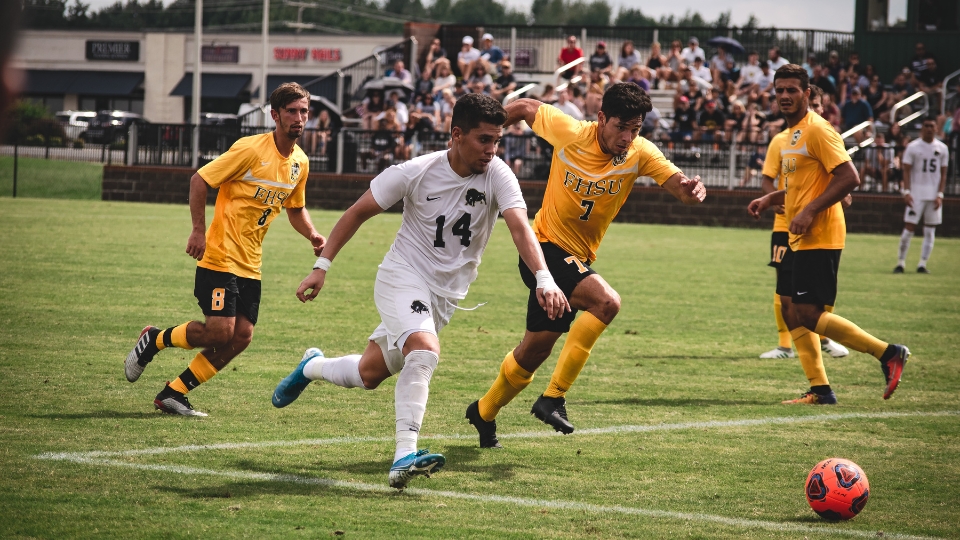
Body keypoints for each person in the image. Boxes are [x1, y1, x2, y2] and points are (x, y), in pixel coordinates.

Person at [273, 93, 569, 488]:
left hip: (445, 297)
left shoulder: (498, 173)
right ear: (456, 135)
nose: (492, 150)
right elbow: (357, 212)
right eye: (484, 140)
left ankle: (311, 365)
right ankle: (403, 457)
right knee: (425, 351)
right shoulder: (415, 171)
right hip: (402, 276)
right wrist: (320, 267)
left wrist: (544, 277)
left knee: (369, 373)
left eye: (497, 140)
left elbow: (520, 227)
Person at [465, 83, 706, 448]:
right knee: (606, 302)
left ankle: (483, 412)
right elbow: (528, 107)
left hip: (576, 259)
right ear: (601, 118)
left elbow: (677, 186)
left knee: (532, 353)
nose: (627, 137)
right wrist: (489, 133)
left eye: (635, 129)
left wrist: (690, 192)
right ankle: (553, 397)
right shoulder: (572, 133)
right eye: (621, 127)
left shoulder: (640, 152)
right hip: (543, 249)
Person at [123, 83, 325, 416]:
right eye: (291, 111)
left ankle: (173, 393)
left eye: (303, 111)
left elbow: (295, 208)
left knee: (242, 335)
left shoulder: (300, 163)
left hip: (251, 263)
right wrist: (199, 231)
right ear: (275, 115)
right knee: (220, 331)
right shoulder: (250, 149)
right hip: (220, 255)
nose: (299, 118)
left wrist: (313, 235)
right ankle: (155, 339)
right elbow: (199, 180)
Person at [747, 64, 910, 405]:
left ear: (808, 93)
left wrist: (809, 211)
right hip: (798, 236)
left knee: (808, 312)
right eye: (779, 90)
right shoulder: (791, 135)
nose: (785, 96)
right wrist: (769, 199)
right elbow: (800, 188)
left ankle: (888, 353)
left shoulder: (818, 130)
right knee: (791, 308)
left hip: (820, 234)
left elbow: (850, 179)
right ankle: (820, 389)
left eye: (792, 90)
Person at [757, 83, 849, 358]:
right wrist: (774, 202)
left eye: (821, 106)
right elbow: (768, 178)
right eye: (815, 106)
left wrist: (842, 197)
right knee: (785, 290)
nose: (817, 110)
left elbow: (842, 178)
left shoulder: (825, 135)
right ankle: (785, 345)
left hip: (819, 226)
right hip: (785, 226)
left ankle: (822, 339)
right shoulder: (782, 140)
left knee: (815, 294)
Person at [894, 116, 948, 274]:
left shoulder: (942, 148)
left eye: (932, 126)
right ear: (921, 128)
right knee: (908, 229)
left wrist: (940, 194)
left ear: (936, 128)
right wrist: (907, 191)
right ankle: (901, 262)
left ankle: (922, 264)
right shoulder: (913, 147)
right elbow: (906, 170)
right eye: (926, 126)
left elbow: (943, 173)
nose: (929, 129)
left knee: (930, 230)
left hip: (933, 196)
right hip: (916, 194)